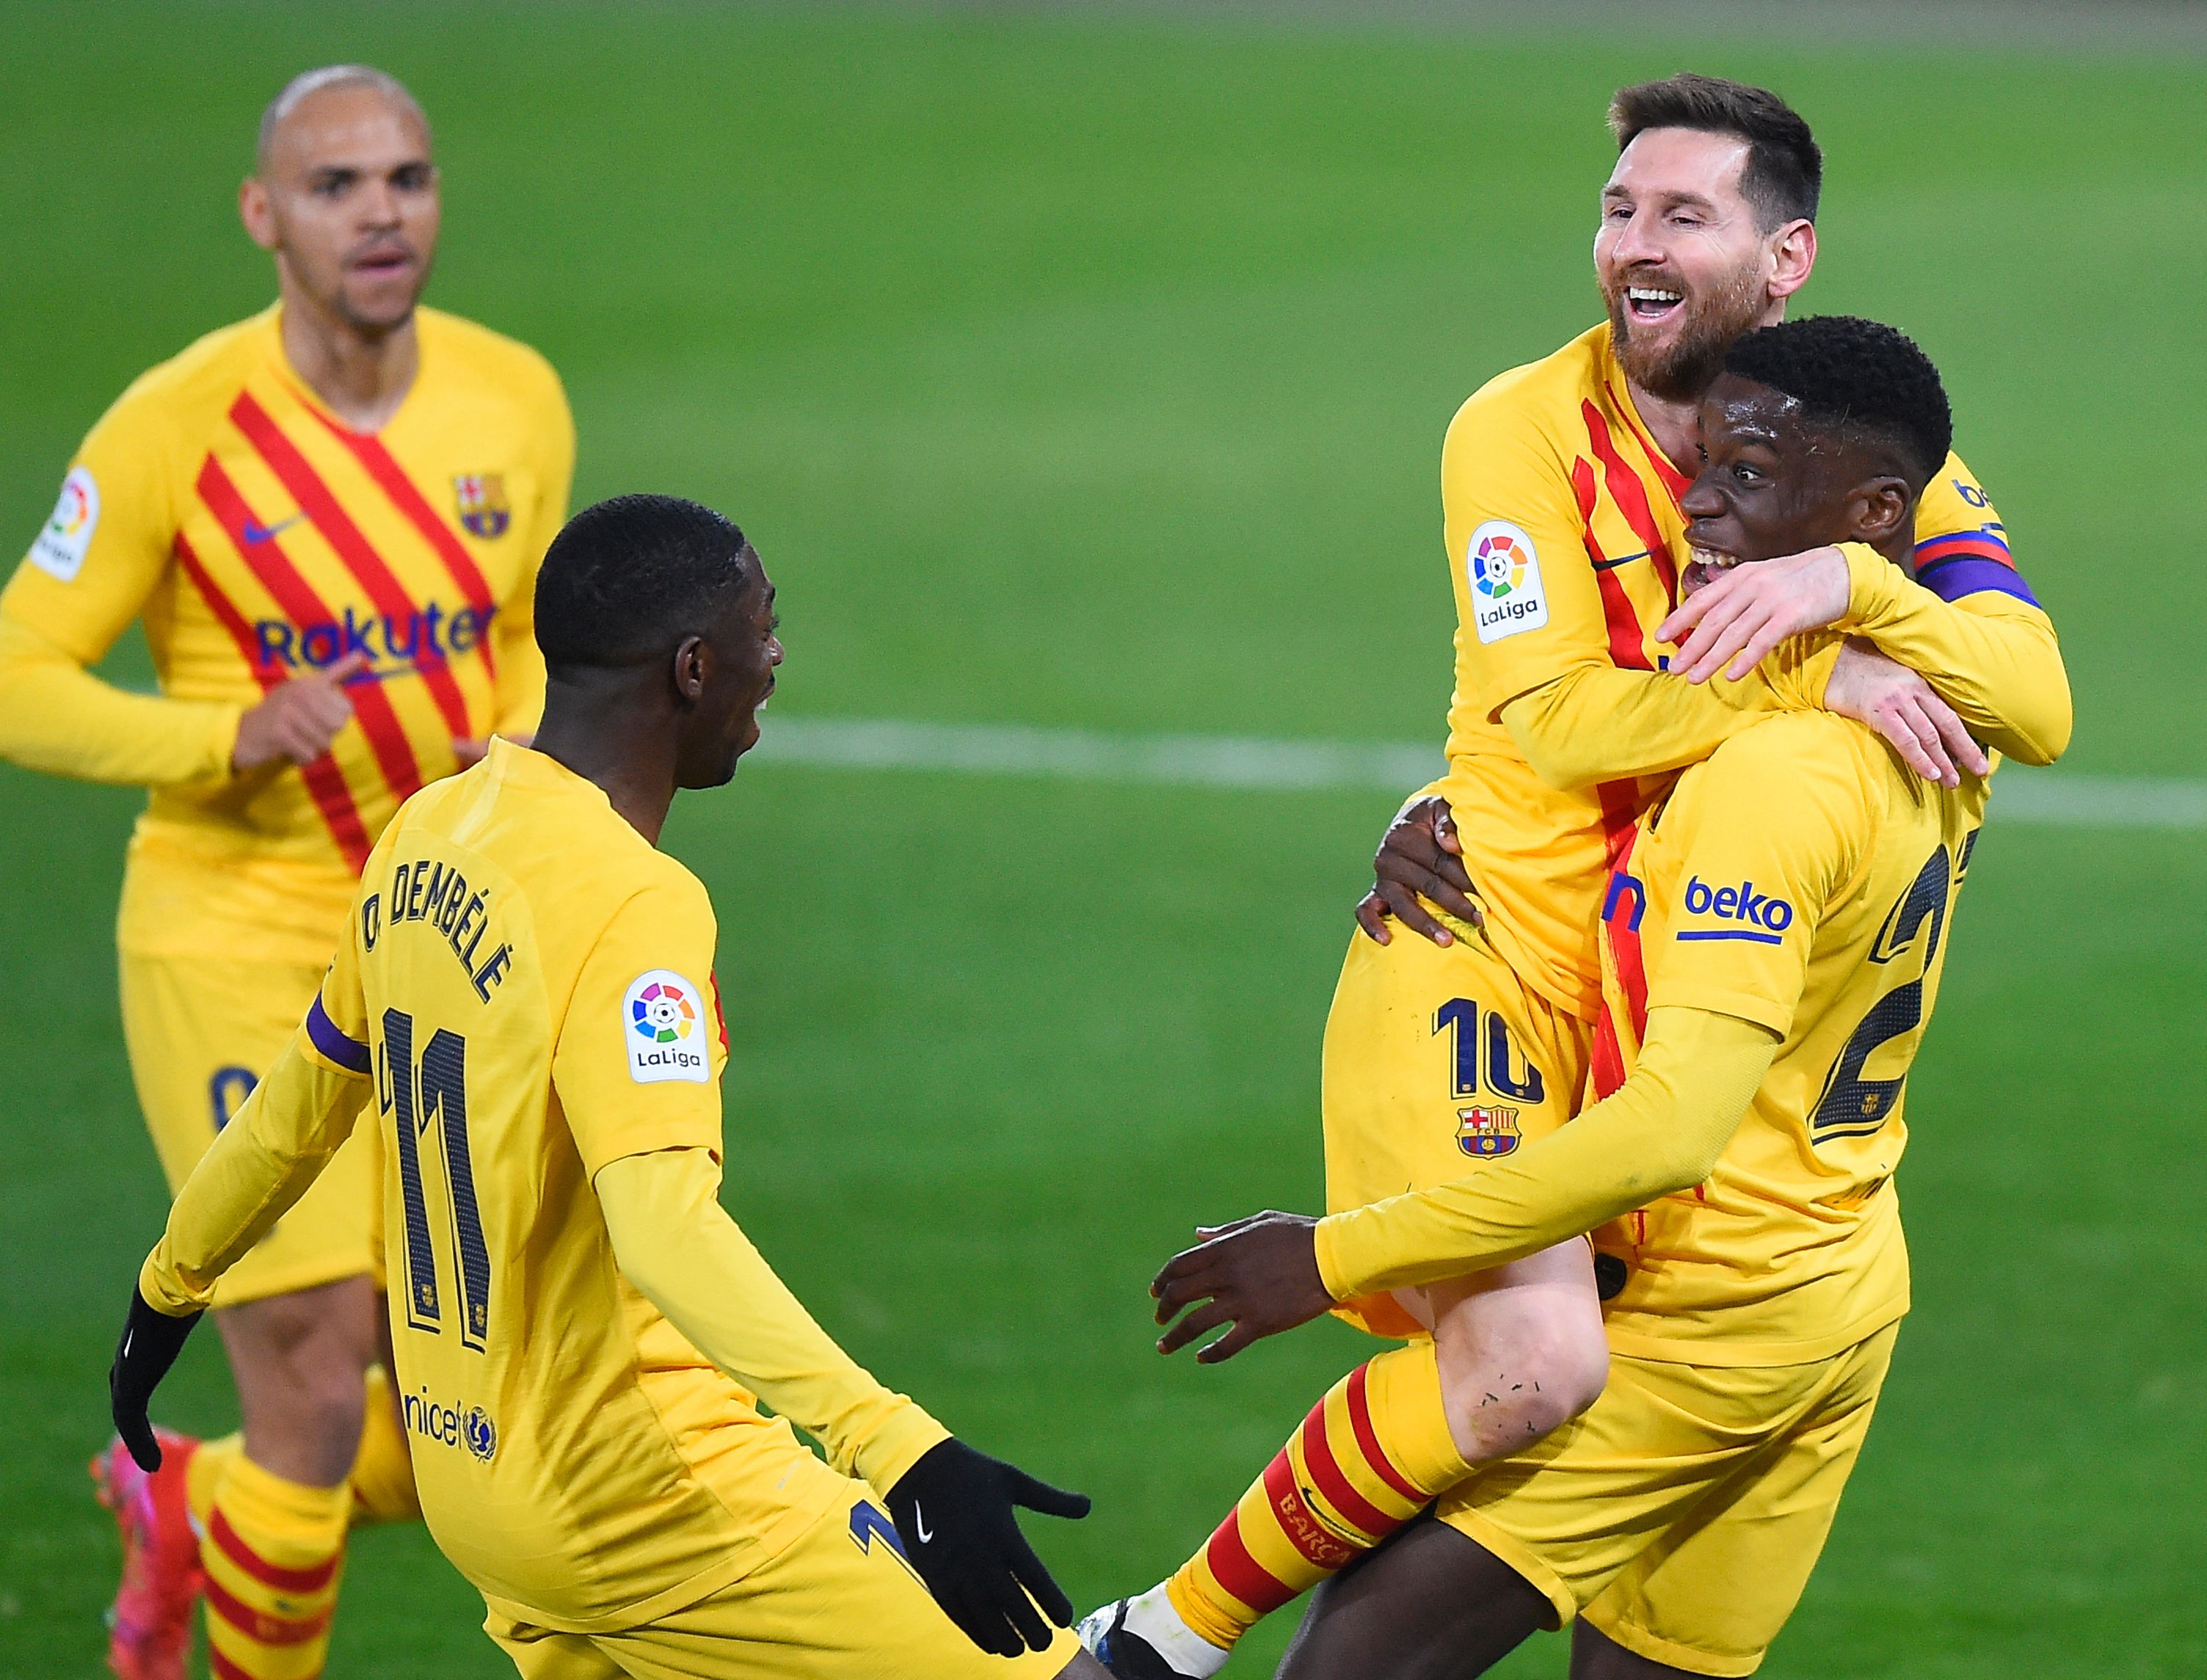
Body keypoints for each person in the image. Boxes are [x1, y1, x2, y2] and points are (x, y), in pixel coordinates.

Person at [1079, 76, 2068, 1679]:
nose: (1633, 245)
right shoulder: (1520, 430)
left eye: (1682, 214)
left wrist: (1853, 587)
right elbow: (1549, 718)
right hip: (1487, 952)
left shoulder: (1845, 455)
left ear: (1785, 254)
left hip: (1676, 1021)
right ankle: (1146, 1644)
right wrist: (1815, 674)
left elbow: (2043, 703)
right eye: (1617, 210)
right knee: (1531, 1361)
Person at [101, 495, 1111, 1680]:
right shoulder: (634, 904)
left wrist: (169, 1287)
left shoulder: (429, 831)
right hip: (650, 1501)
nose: (776, 659)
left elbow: (294, 1107)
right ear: (693, 668)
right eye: (764, 629)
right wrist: (902, 1448)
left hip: (476, 1496)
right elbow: (663, 1224)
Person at [0, 65, 573, 1680]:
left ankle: (193, 1507)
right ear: (262, 216)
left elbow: (526, 641)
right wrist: (216, 736)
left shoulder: (515, 398)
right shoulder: (179, 423)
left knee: (481, 1397)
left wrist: (506, 749)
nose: (382, 212)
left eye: (409, 178)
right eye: (337, 185)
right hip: (233, 935)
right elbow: (7, 688)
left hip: (435, 937)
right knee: (311, 1374)